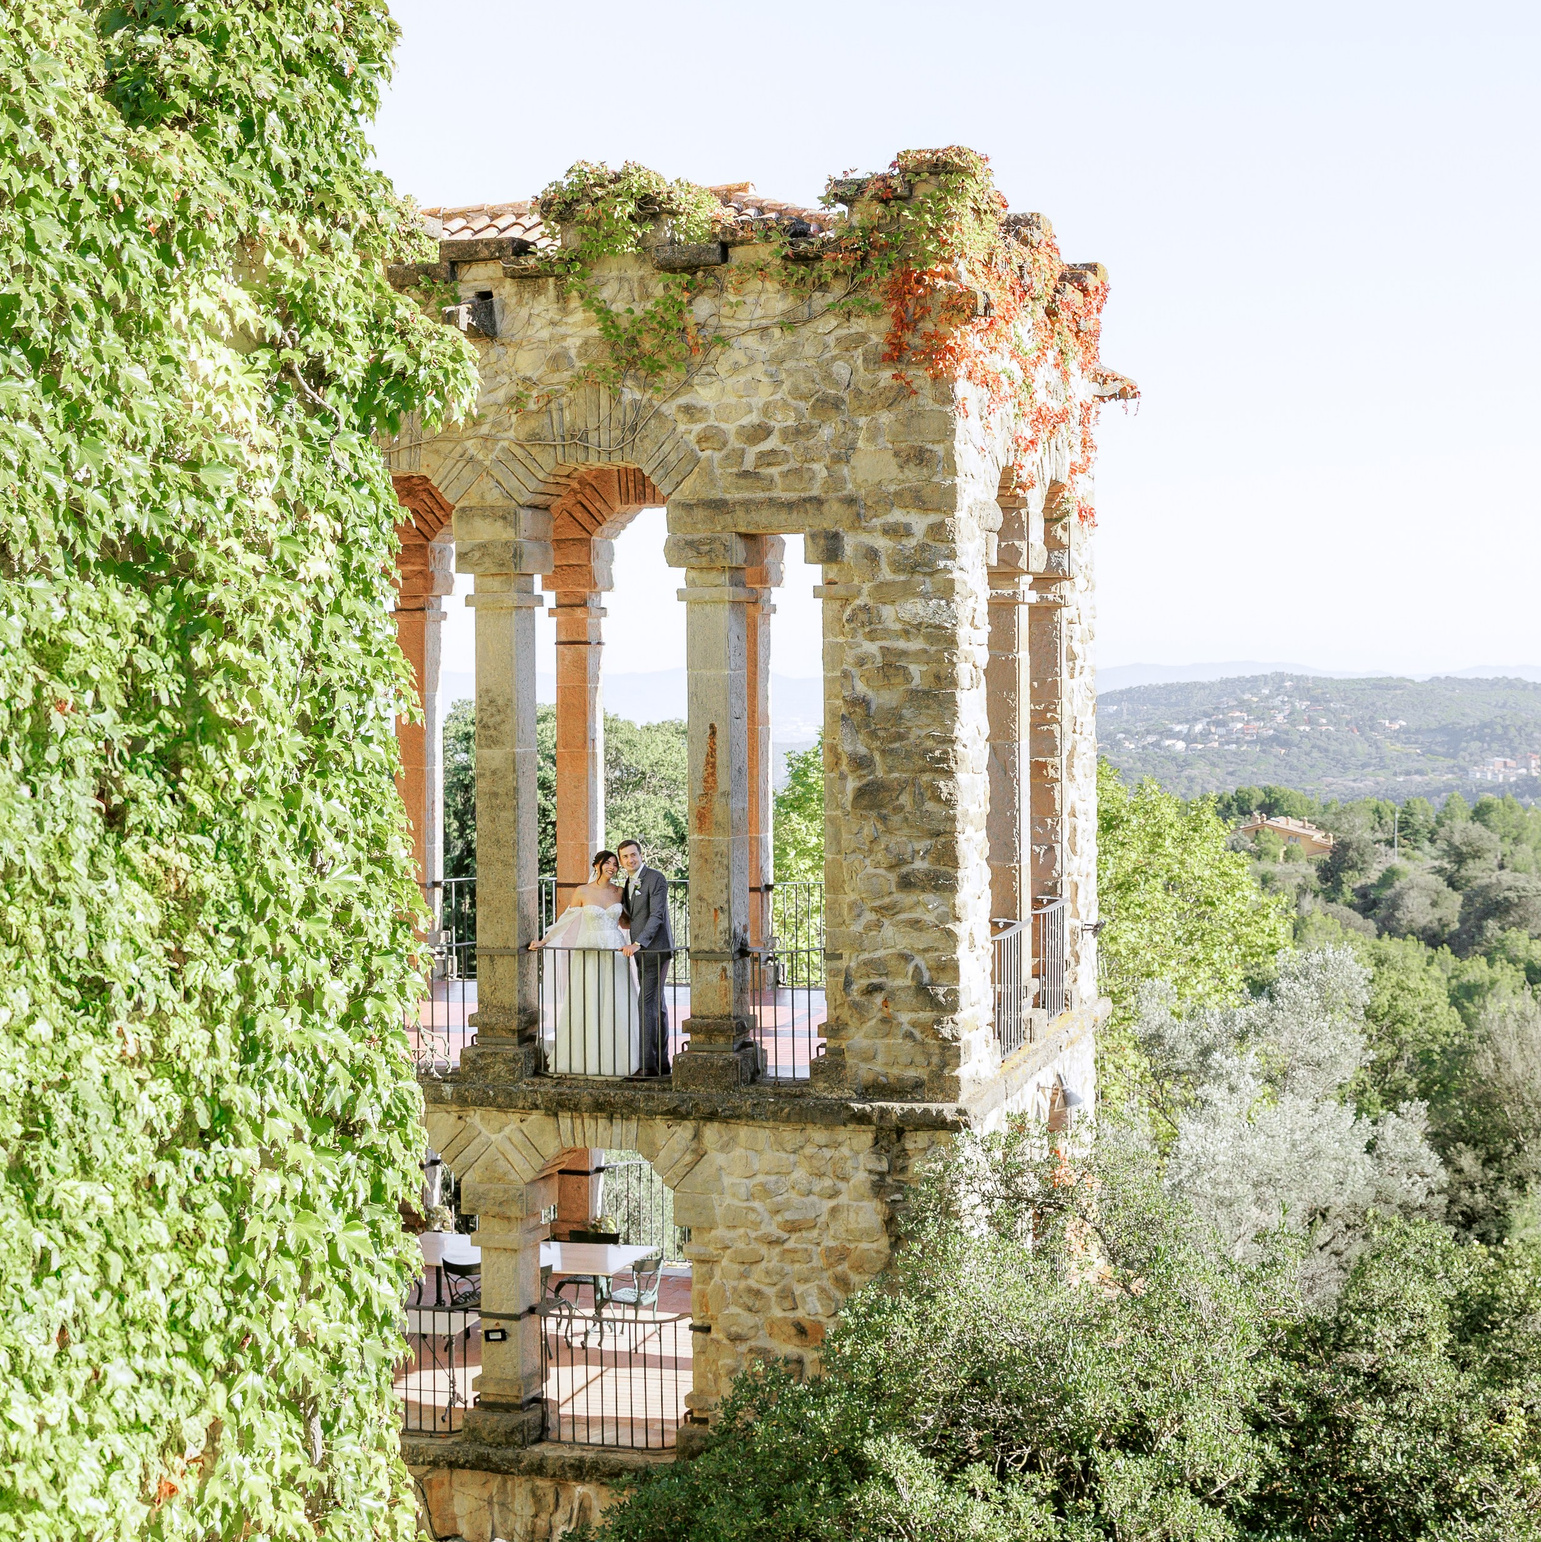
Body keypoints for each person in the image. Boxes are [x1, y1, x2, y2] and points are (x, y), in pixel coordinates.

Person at [529, 850, 639, 1075]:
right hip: (588, 951)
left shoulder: (619, 892)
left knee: (616, 1002)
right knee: (587, 1001)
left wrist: (640, 938)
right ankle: (584, 1059)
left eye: (615, 864)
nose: (612, 867)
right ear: (597, 865)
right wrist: (544, 940)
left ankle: (619, 1060)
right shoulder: (582, 891)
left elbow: (627, 922)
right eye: (607, 862)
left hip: (615, 953)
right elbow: (566, 920)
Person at [617, 838, 674, 1077]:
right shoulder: (628, 883)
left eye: (633, 855)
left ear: (641, 855)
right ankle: (662, 1062)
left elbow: (657, 915)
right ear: (621, 862)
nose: (631, 859)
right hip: (640, 951)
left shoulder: (655, 878)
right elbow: (633, 916)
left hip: (656, 949)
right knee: (656, 1005)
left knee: (646, 1004)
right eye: (625, 857)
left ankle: (647, 1065)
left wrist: (639, 942)